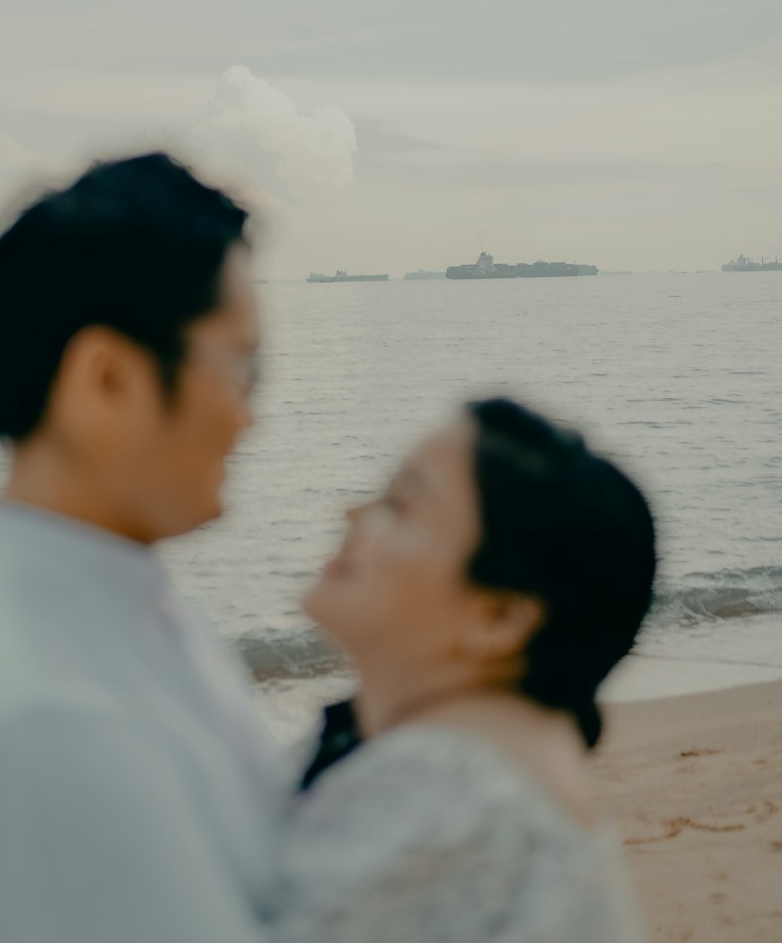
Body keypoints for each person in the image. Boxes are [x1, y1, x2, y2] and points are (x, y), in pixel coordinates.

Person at [0, 153, 281, 943]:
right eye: (240, 366)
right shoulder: (49, 718)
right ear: (106, 380)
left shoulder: (107, 601)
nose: (249, 416)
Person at [273, 398, 656, 943]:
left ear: (497, 619)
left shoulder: (448, 792)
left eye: (400, 505)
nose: (352, 513)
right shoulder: (483, 761)